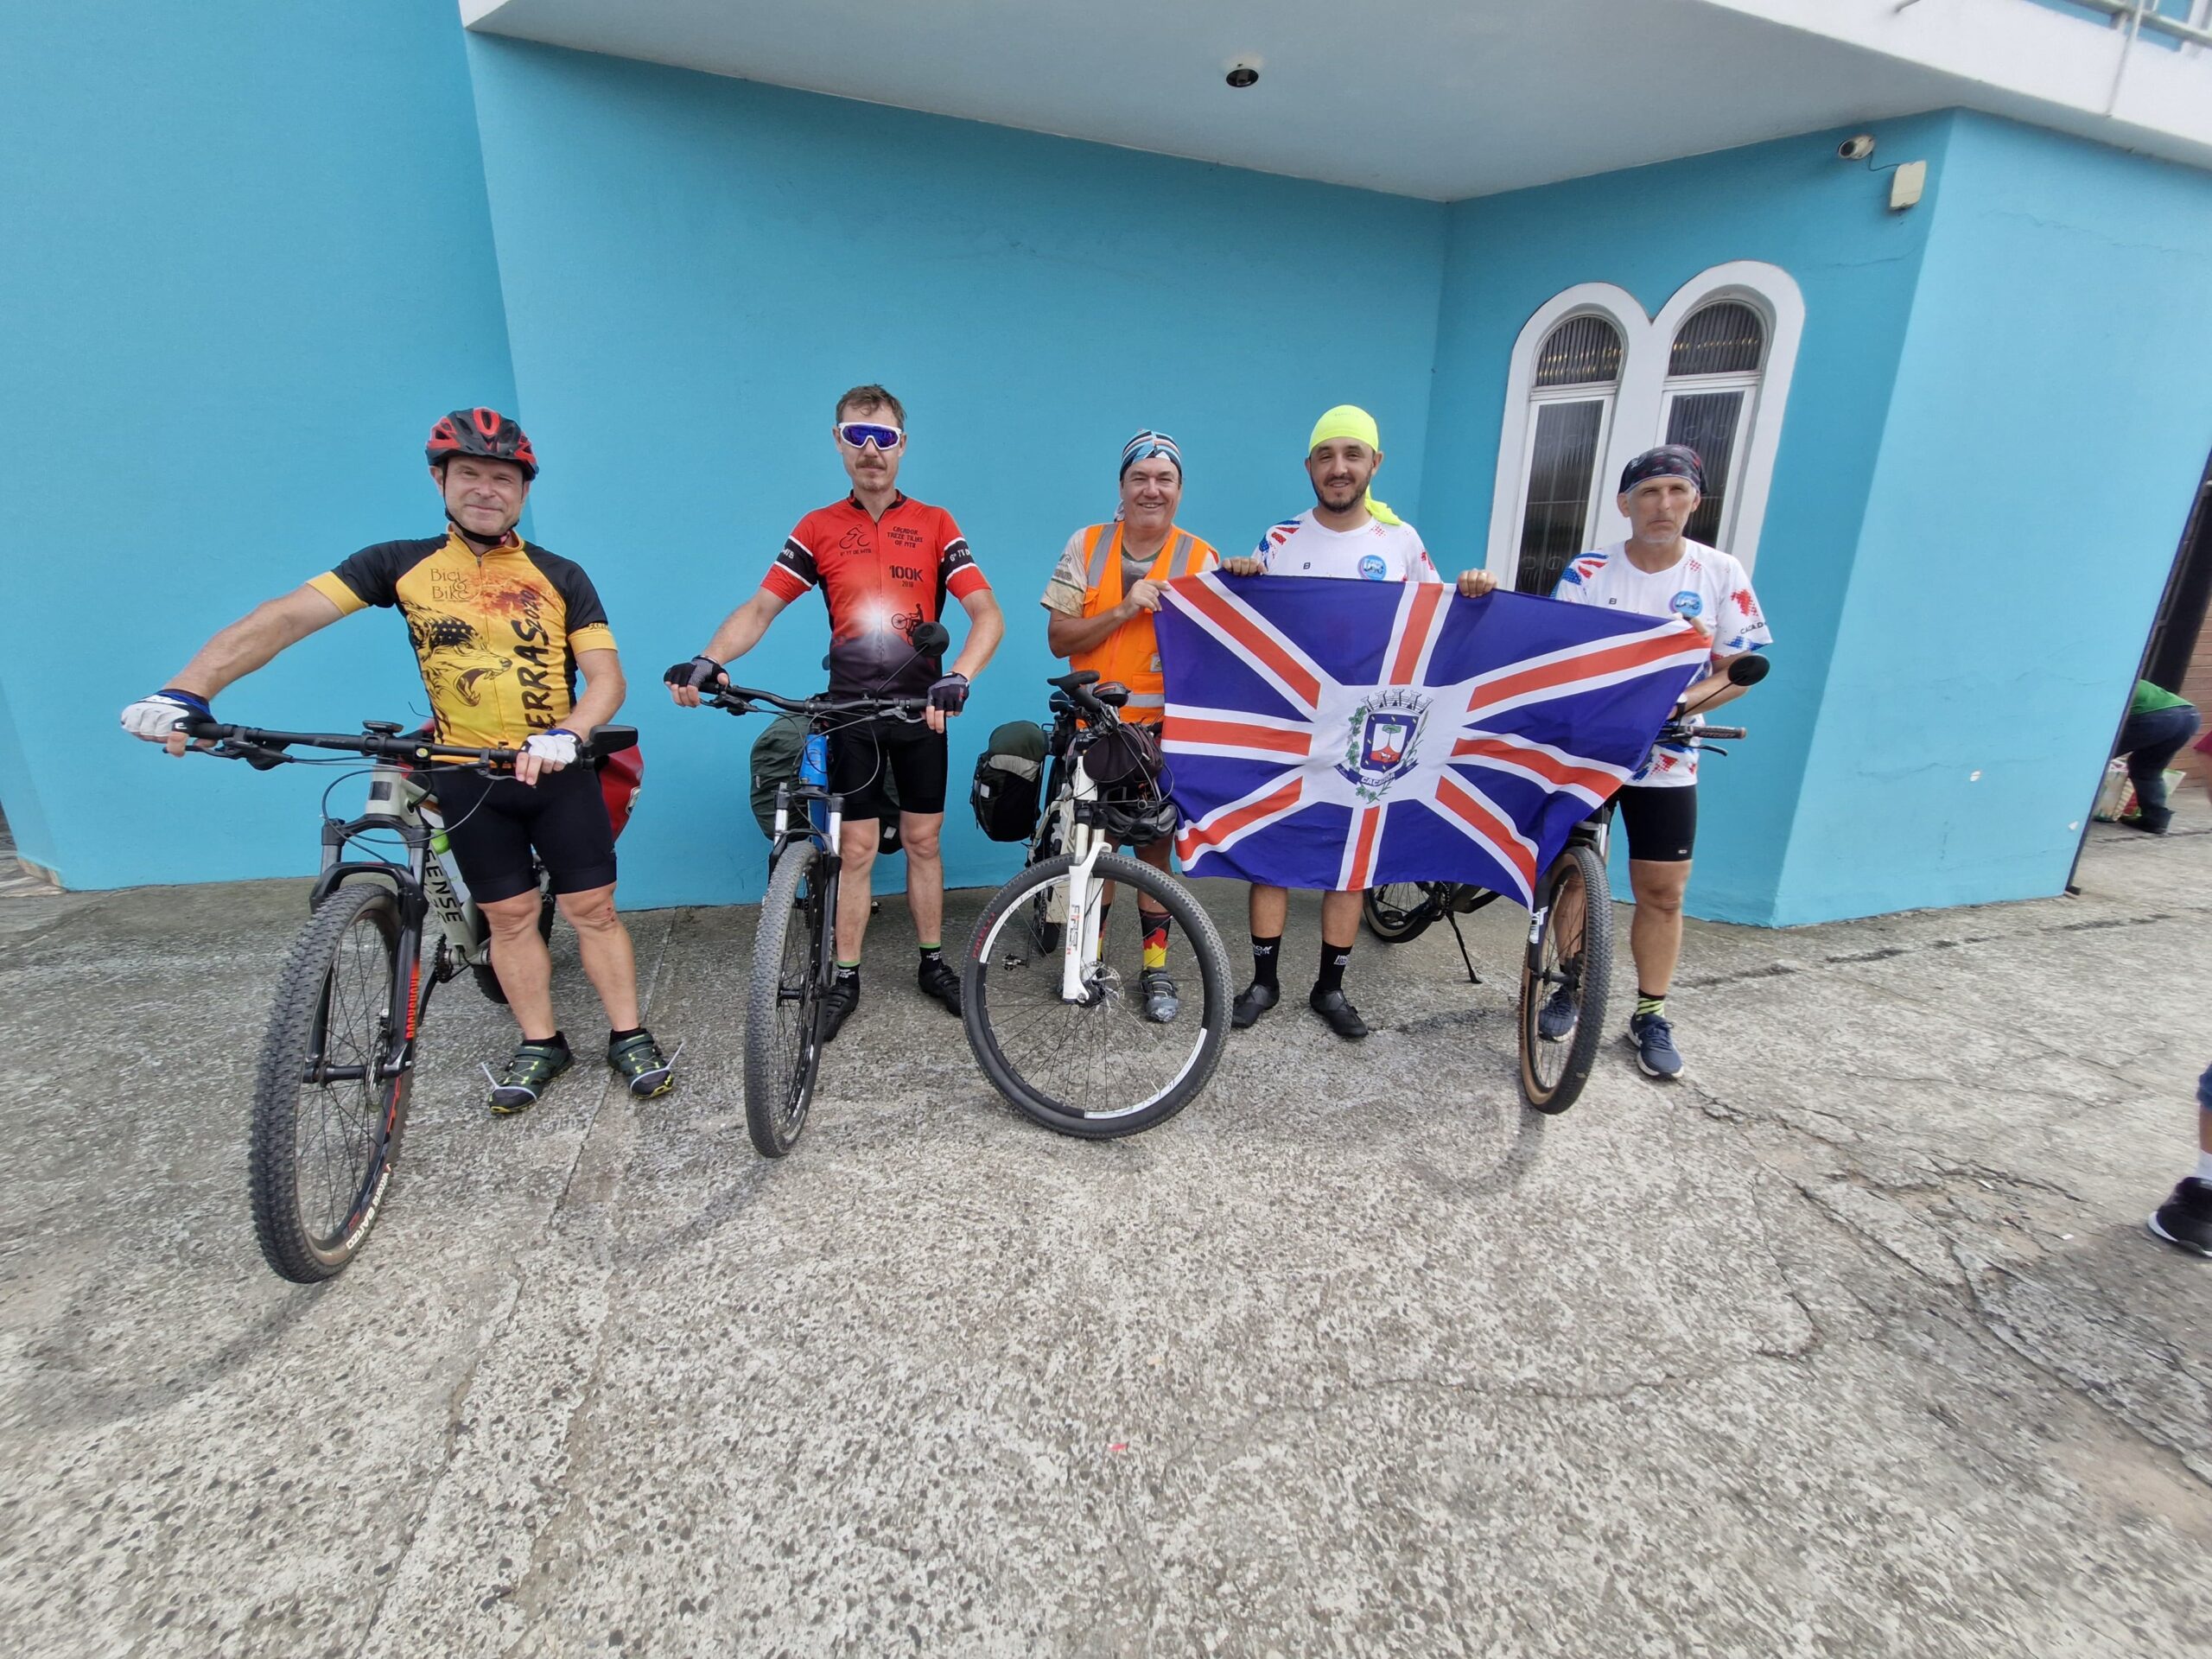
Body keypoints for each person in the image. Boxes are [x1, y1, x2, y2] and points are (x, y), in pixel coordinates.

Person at [119, 408, 676, 1112]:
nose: (485, 488)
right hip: (465, 771)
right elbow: (285, 616)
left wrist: (568, 732)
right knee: (507, 917)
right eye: (468, 473)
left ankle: (628, 1034)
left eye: (502, 478)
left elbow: (607, 678)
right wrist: (188, 689)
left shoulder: (560, 574)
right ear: (439, 478)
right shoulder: (398, 564)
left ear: (523, 491)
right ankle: (541, 1042)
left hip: (555, 769)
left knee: (593, 909)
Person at [667, 385, 1004, 1039]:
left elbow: (986, 613)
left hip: (920, 712)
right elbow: (762, 607)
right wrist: (709, 658)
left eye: (883, 438)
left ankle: (931, 963)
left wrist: (960, 674)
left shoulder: (936, 523)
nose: (871, 451)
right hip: (850, 711)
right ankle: (844, 977)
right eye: (857, 437)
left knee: (922, 841)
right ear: (839, 442)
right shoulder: (818, 528)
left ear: (903, 445)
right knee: (853, 849)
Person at [1219, 404, 1495, 1040]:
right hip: (1294, 725)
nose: (1338, 468)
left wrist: (1473, 591)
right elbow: (1250, 625)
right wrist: (1242, 578)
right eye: (1326, 456)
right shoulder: (1281, 540)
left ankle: (1330, 988)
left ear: (1375, 463)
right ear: (1310, 466)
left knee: (1353, 862)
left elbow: (1439, 623)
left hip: (1374, 732)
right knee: (1275, 858)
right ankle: (1264, 981)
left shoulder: (1400, 543)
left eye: (1352, 455)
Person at [1550, 443, 1771, 1080]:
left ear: (1695, 501)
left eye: (1676, 492)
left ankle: (1651, 1011)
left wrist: (1681, 701)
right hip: (1591, 750)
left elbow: (1740, 670)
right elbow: (1558, 657)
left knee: (1662, 890)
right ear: (1625, 504)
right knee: (1575, 871)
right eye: (1648, 493)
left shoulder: (1720, 572)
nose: (1662, 505)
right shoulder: (1590, 572)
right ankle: (1568, 983)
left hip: (1669, 757)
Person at [1040, 430, 1219, 1022]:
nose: (1152, 489)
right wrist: (1124, 607)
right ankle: (1088, 963)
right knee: (1095, 852)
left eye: (1164, 479)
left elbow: (1224, 651)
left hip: (1164, 734)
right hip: (1097, 731)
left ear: (1180, 490)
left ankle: (1155, 970)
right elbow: (1058, 638)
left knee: (1153, 853)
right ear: (1121, 486)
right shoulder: (1086, 545)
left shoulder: (1202, 559)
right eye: (1140, 477)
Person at [2112, 678, 2198, 835]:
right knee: (2146, 768)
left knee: (2095, 760)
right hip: (2189, 715)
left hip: (2157, 717)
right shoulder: (2126, 675)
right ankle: (2155, 819)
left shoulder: (2099, 683)